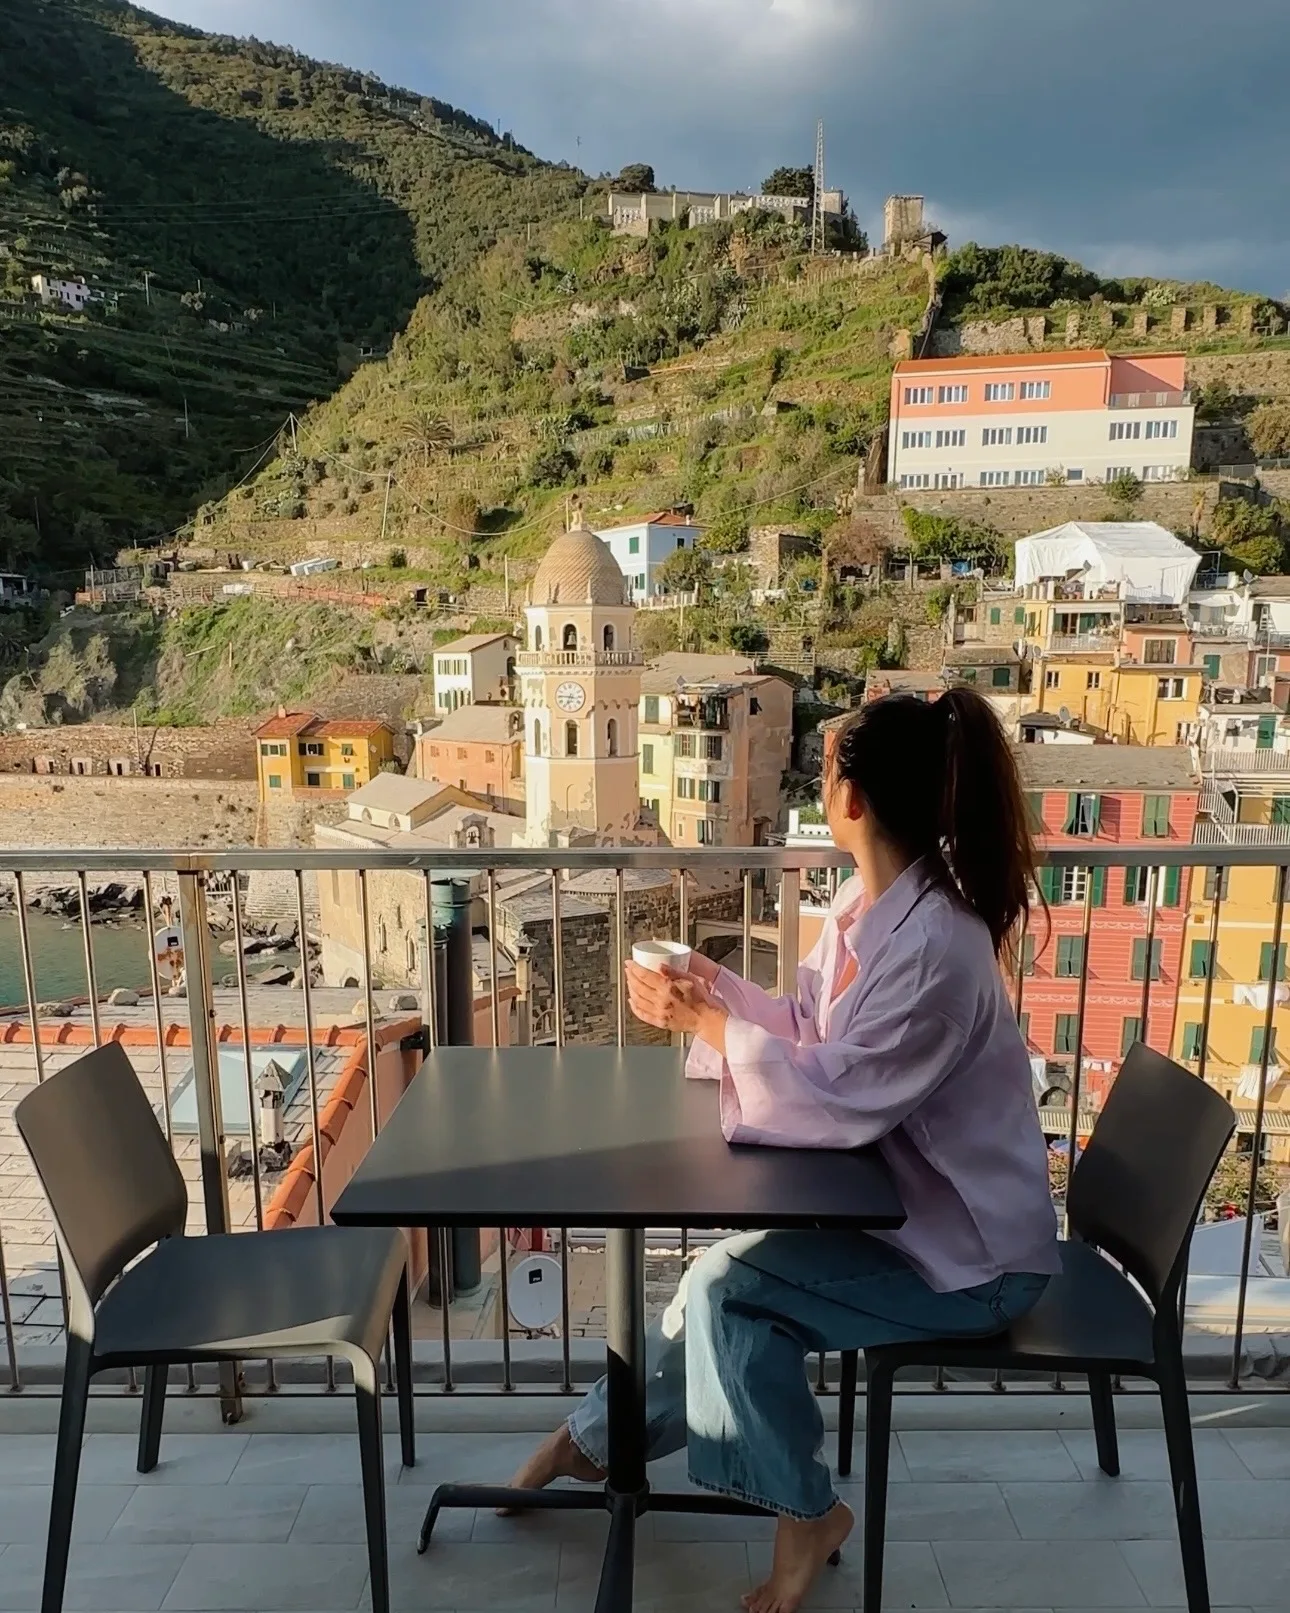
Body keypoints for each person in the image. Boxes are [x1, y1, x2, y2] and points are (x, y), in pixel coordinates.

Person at [508, 686, 1061, 1613]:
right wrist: (712, 991)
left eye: (828, 766)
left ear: (852, 800)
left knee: (730, 1293)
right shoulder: (872, 904)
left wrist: (718, 1031)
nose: (822, 780)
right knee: (708, 1283)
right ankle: (599, 1440)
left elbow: (844, 1094)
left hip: (972, 1259)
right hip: (915, 1219)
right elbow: (813, 1028)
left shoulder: (938, 949)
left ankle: (807, 1509)